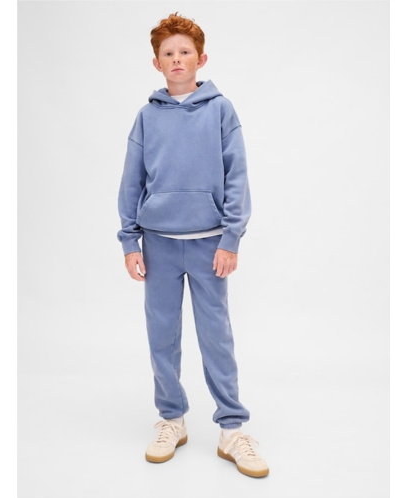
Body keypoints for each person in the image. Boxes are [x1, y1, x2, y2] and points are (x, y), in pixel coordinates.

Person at [117, 13, 269, 479]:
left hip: (209, 245)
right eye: (168, 53)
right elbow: (131, 181)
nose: (177, 59)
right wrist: (130, 240)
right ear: (157, 63)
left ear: (201, 59)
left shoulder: (220, 110)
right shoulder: (147, 116)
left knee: (216, 337)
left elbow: (237, 176)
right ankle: (172, 420)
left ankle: (232, 430)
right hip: (158, 244)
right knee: (162, 336)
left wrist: (230, 238)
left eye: (185, 52)